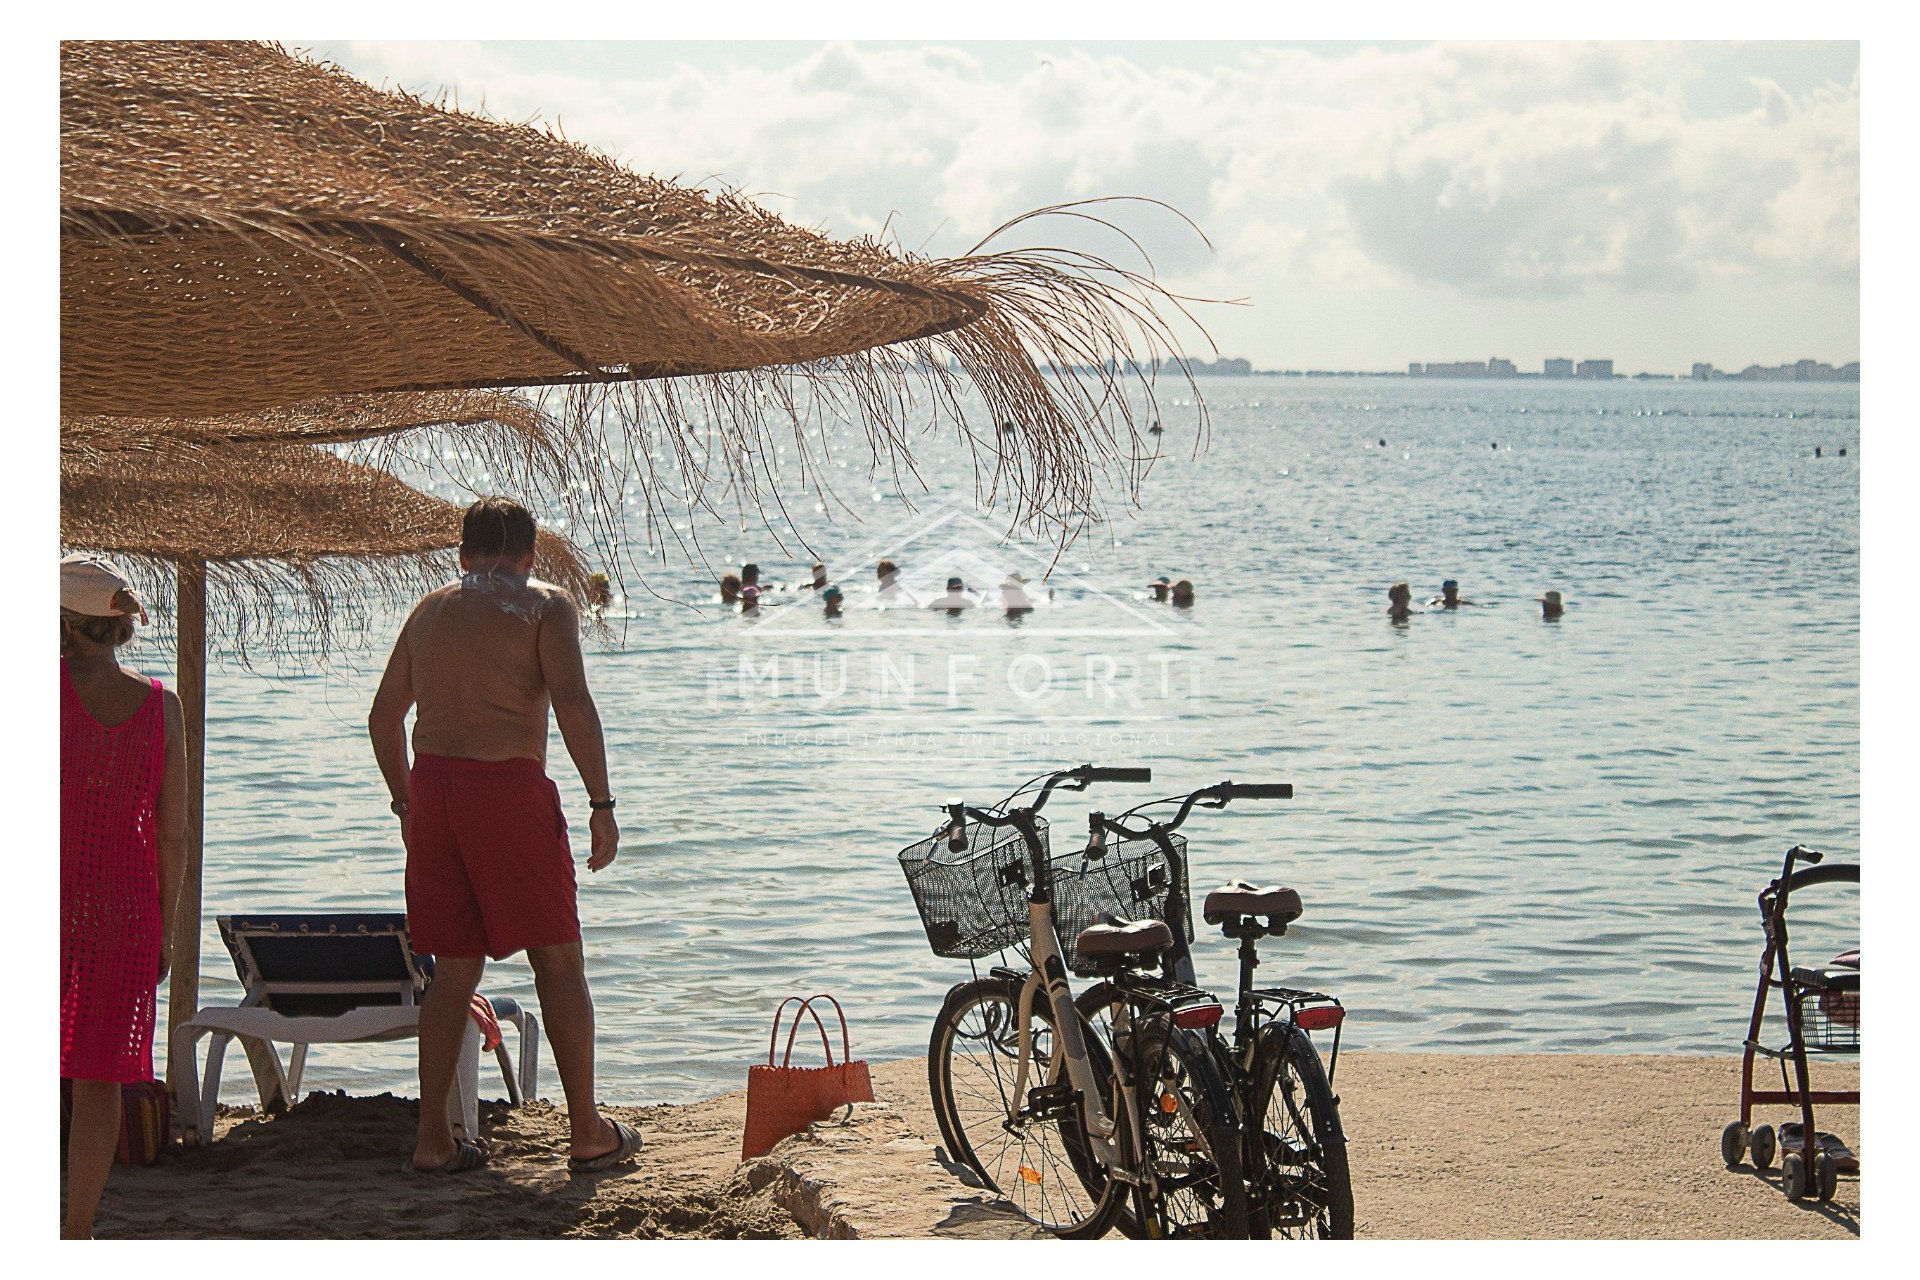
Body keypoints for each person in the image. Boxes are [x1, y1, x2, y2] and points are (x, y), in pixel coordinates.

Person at [369, 497, 638, 1175]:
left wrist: (407, 805)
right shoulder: (545, 605)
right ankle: (586, 1130)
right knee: (557, 959)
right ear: (528, 557)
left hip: (433, 791)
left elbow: (382, 719)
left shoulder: (428, 610)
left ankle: (433, 1138)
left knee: (453, 973)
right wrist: (601, 803)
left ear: (462, 556)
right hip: (508, 789)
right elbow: (573, 703)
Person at [60, 555, 187, 1238]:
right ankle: (77, 1228)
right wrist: (165, 931)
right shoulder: (162, 705)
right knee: (99, 1076)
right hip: (127, 913)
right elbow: (175, 836)